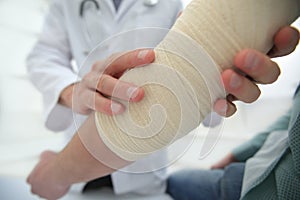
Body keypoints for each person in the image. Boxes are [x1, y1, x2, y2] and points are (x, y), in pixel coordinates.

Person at [26, 0, 299, 199]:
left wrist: (55, 173)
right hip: (79, 160)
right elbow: (43, 57)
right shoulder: (66, 4)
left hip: (139, 175)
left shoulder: (167, 4)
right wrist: (73, 92)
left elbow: (177, 92)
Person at [166, 83, 300, 199]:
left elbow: (290, 121)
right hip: (262, 170)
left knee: (174, 182)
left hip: (265, 185)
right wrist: (235, 155)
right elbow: (290, 121)